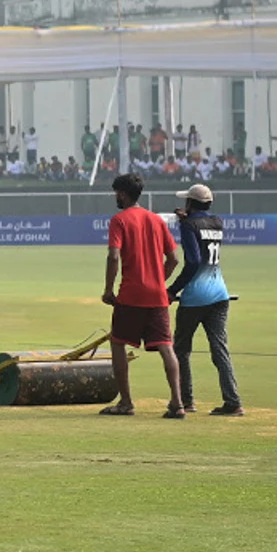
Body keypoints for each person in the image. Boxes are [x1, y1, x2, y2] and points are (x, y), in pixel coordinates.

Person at [101, 173, 184, 418]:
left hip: (131, 295)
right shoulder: (156, 221)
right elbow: (174, 259)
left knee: (117, 343)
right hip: (157, 296)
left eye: (116, 192)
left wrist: (108, 290)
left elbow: (113, 256)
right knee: (166, 347)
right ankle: (177, 403)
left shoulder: (119, 220)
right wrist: (159, 280)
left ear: (123, 194)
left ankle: (126, 402)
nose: (115, 197)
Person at [169, 183, 244, 416]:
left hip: (195, 297)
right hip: (220, 294)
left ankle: (186, 401)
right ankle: (233, 401)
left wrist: (172, 289)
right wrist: (186, 219)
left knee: (181, 350)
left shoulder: (189, 225)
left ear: (190, 203)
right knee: (220, 350)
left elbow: (192, 262)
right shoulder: (217, 222)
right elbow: (203, 226)